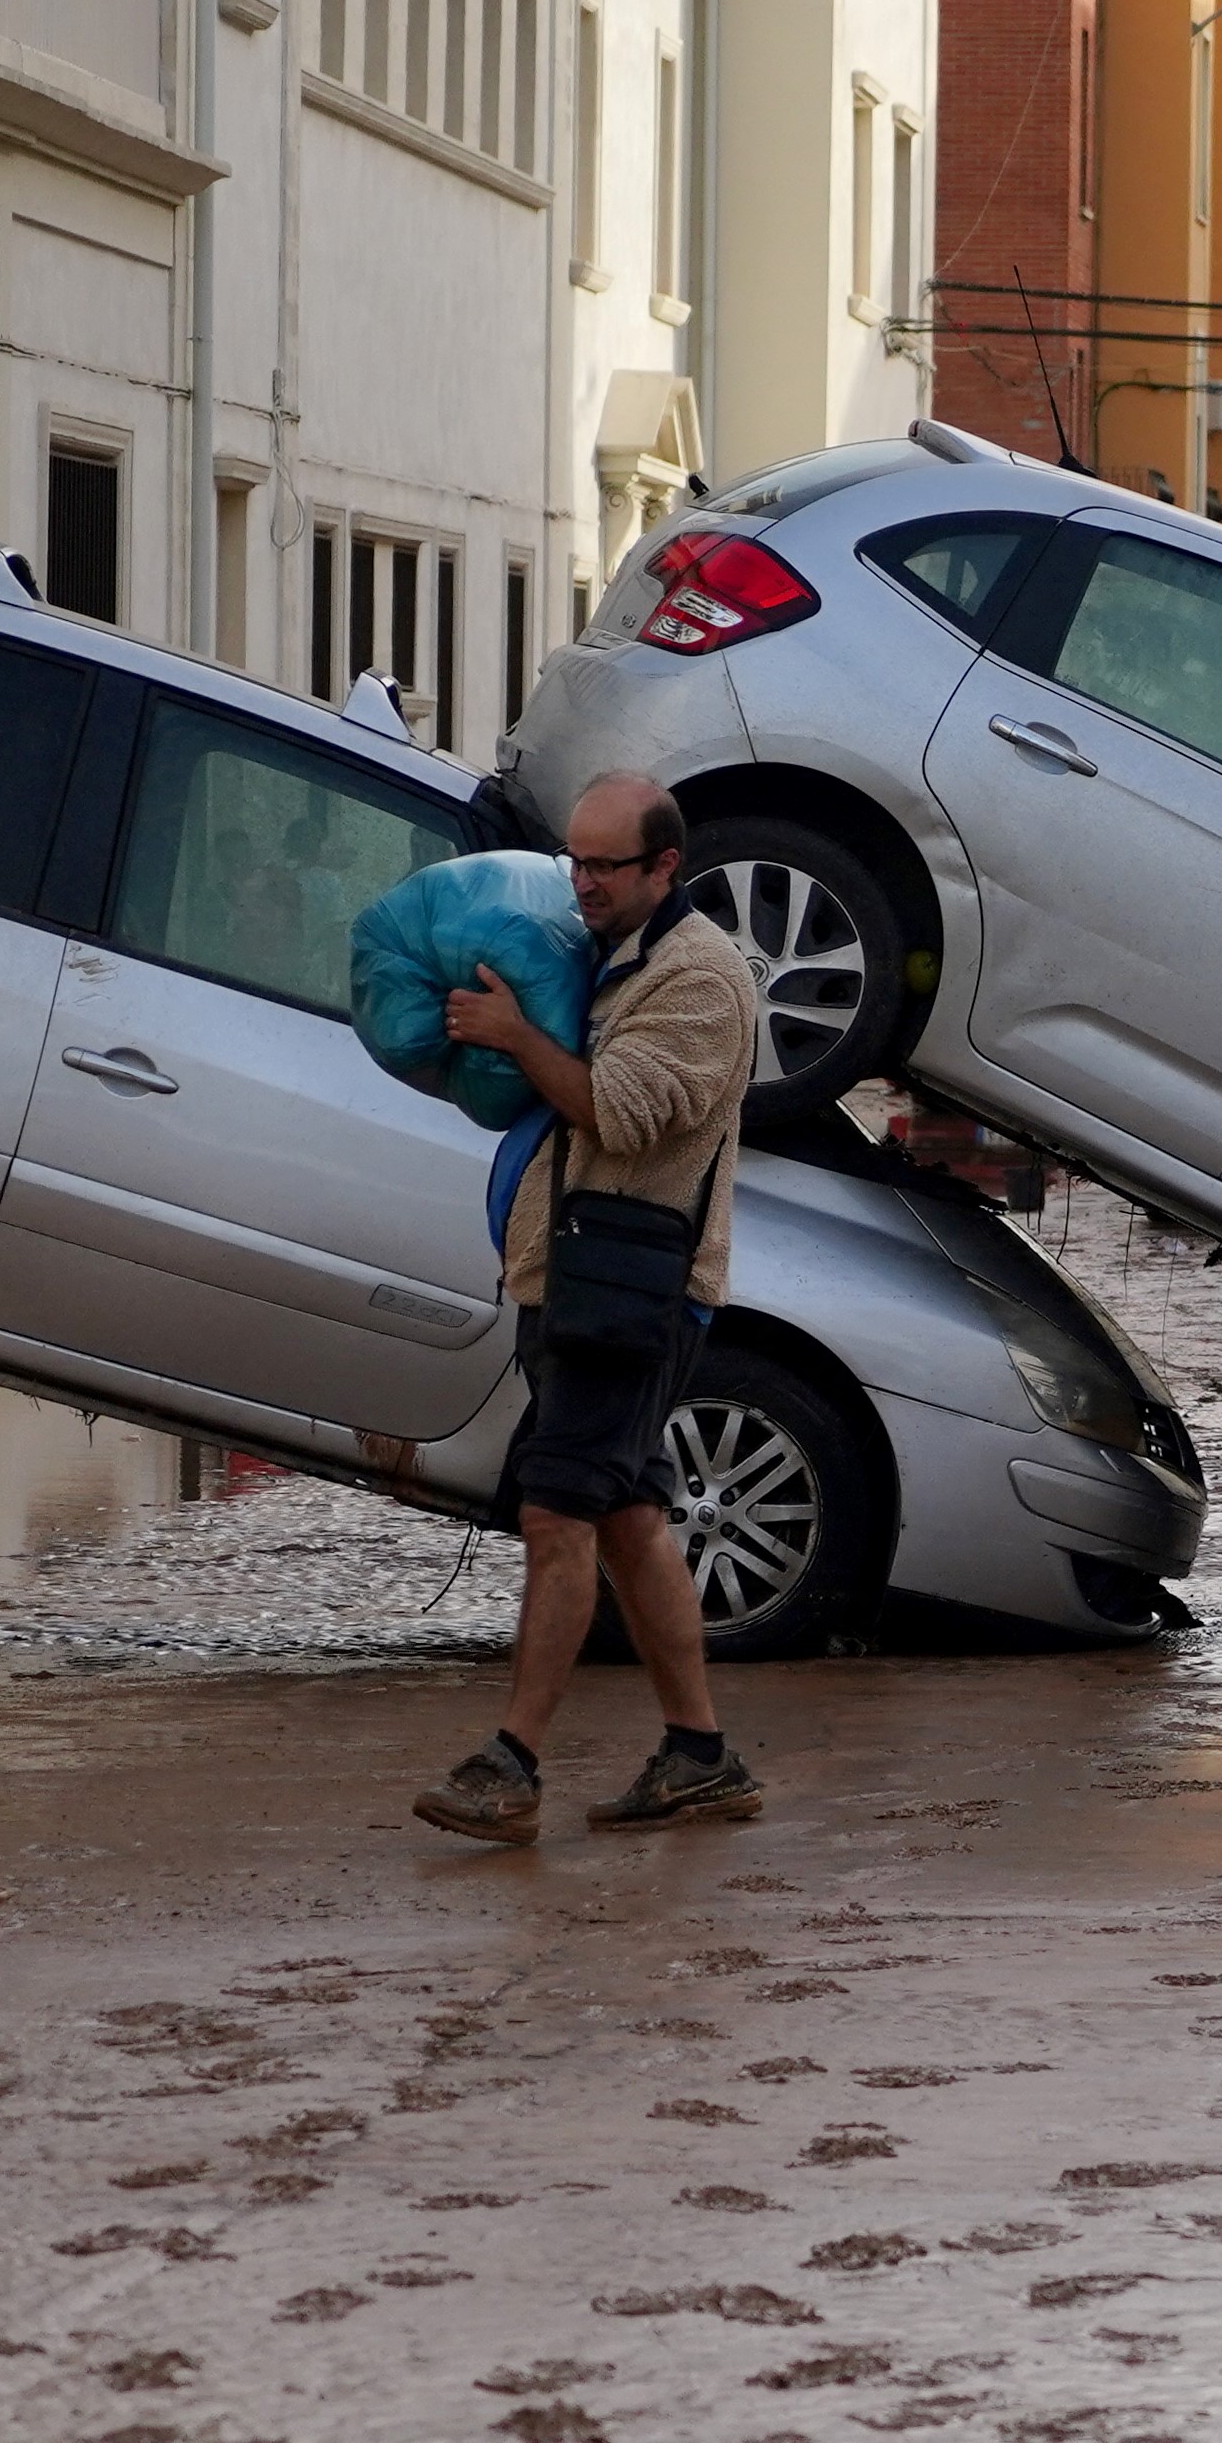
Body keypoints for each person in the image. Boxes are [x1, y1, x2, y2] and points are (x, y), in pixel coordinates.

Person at [412, 774, 764, 1845]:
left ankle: (510, 1763)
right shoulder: (609, 952)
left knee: (557, 1512)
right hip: (574, 1281)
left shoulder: (702, 981)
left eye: (606, 864)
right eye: (575, 860)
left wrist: (517, 1036)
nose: (584, 881)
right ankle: (698, 1753)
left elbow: (616, 1111)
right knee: (626, 1513)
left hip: (633, 1295)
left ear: (666, 866)